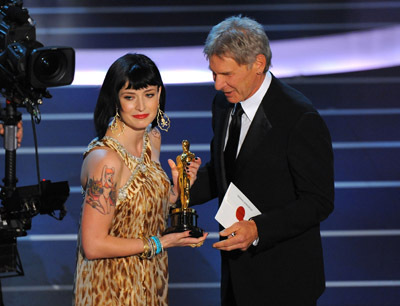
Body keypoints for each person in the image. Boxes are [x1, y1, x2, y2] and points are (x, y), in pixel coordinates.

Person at [189, 16, 334, 306]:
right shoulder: (223, 104)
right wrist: (183, 189)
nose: (218, 85)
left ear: (258, 64)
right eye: (213, 73)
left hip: (285, 280)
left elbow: (318, 201)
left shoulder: (299, 118)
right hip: (236, 275)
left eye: (226, 74)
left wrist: (257, 229)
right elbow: (226, 171)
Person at [73, 53, 206, 305]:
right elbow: (93, 245)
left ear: (160, 95)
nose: (142, 107)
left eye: (149, 94)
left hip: (150, 282)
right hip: (109, 289)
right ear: (115, 100)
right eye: (130, 97)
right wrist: (161, 242)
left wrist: (176, 191)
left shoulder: (152, 139)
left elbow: (140, 212)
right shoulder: (106, 161)